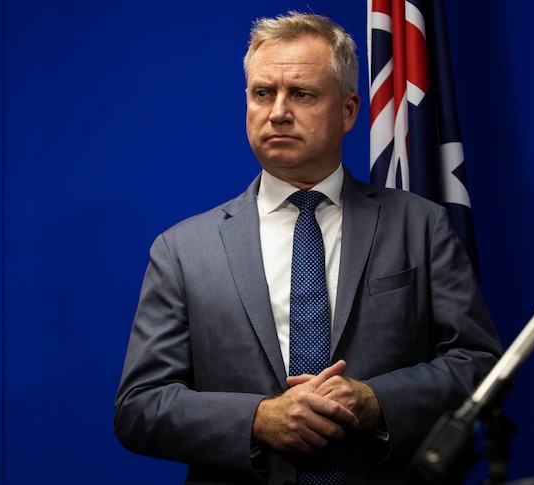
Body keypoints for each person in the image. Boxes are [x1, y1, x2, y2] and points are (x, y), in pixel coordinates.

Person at [113, 11, 503, 485]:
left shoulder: (420, 225)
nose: (277, 111)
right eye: (263, 93)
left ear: (349, 110)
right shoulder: (182, 250)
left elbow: (478, 363)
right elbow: (140, 406)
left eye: (301, 94)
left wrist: (376, 402)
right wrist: (259, 419)